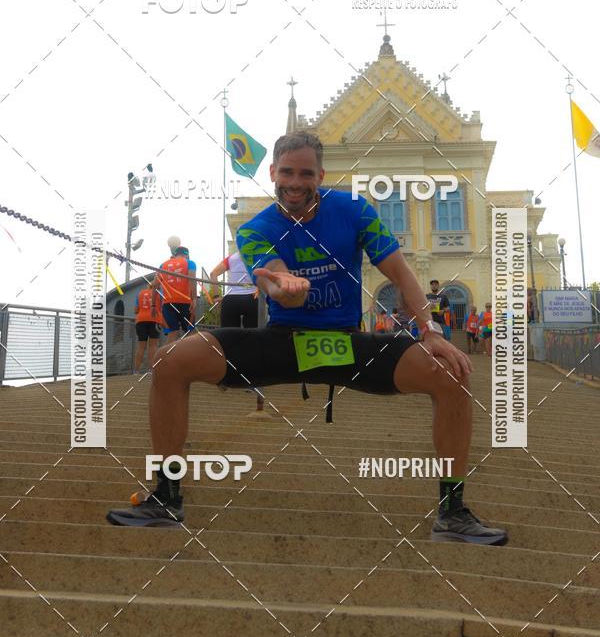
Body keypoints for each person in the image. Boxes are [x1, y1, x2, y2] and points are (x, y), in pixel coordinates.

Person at [106, 131, 508, 546]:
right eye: (286, 173)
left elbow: (401, 274)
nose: (295, 183)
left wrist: (432, 332)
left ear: (321, 175)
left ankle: (452, 511)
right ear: (272, 172)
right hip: (285, 339)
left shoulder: (354, 209)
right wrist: (285, 290)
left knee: (452, 370)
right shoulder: (257, 229)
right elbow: (279, 287)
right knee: (171, 361)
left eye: (305, 173)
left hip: (347, 343)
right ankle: (166, 497)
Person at [209, 250, 264, 413]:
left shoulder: (231, 258)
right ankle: (251, 381)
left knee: (225, 341)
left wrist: (217, 295)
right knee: (252, 340)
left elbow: (213, 274)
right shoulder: (259, 255)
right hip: (251, 298)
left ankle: (224, 379)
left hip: (231, 299)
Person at [154, 242, 197, 341]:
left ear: (175, 255)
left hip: (168, 303)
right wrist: (194, 298)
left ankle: (168, 356)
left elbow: (155, 286)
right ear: (187, 255)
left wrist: (153, 305)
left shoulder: (163, 265)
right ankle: (190, 356)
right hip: (185, 302)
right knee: (190, 333)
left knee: (173, 333)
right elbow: (192, 279)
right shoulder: (189, 263)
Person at [133, 279, 161, 373]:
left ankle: (136, 371)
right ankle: (152, 370)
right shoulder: (159, 293)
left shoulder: (140, 293)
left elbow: (136, 310)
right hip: (154, 319)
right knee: (153, 346)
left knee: (141, 346)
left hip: (141, 320)